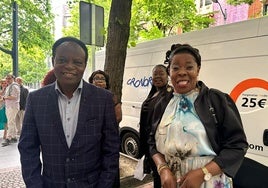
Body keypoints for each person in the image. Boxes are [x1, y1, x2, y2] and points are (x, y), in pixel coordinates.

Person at [18, 36, 120, 188]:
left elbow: (111, 150)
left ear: (85, 65)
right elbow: (27, 148)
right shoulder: (36, 99)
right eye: (62, 60)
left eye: (77, 62)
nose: (69, 66)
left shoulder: (103, 99)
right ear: (53, 61)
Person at [148, 43, 248, 188]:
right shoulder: (161, 103)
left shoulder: (217, 100)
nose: (182, 72)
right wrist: (162, 168)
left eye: (189, 67)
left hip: (210, 180)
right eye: (175, 68)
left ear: (198, 69)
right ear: (169, 72)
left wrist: (203, 173)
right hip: (172, 181)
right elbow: (151, 142)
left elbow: (237, 146)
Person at [139, 64, 173, 188]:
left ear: (167, 76)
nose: (158, 76)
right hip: (150, 144)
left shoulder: (171, 94)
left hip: (160, 145)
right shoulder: (154, 93)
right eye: (155, 74)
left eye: (161, 74)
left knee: (162, 176)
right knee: (156, 175)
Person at [88, 70, 122, 188]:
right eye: (96, 79)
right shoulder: (87, 98)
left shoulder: (111, 97)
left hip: (107, 139)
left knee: (108, 168)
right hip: (91, 142)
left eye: (102, 79)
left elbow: (118, 117)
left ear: (106, 83)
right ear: (91, 82)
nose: (99, 81)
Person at [2, 74, 20, 147]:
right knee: (12, 122)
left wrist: (4, 98)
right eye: (6, 78)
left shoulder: (14, 86)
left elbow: (14, 97)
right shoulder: (9, 86)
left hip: (12, 106)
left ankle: (8, 138)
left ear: (13, 78)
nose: (7, 80)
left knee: (10, 122)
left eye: (9, 78)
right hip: (9, 106)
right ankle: (14, 137)